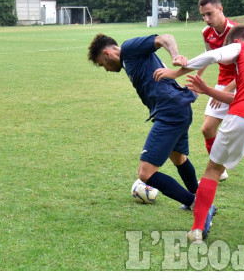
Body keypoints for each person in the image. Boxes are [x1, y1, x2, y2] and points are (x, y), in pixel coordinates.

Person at [153, 25, 244, 242]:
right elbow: (243, 97)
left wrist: (175, 73)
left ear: (235, 42)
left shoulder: (240, 47)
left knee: (213, 170)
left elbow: (214, 55)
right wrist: (207, 91)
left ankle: (196, 229)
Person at [87, 33, 216, 225]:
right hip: (177, 108)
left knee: (145, 173)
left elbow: (166, 38)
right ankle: (200, 200)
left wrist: (175, 56)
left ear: (107, 53)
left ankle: (198, 204)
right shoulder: (130, 61)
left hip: (170, 112)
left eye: (101, 64)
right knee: (178, 158)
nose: (105, 69)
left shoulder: (129, 48)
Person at [197, 0, 244, 193]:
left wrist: (227, 89)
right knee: (207, 129)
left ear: (220, 9)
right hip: (221, 85)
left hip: (240, 85)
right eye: (203, 16)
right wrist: (197, 80)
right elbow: (209, 58)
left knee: (242, 132)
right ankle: (221, 170)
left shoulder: (237, 33)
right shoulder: (206, 33)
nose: (207, 19)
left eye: (210, 14)